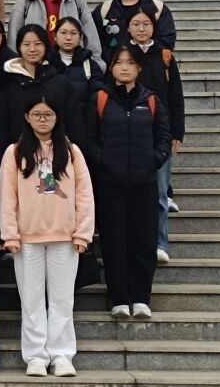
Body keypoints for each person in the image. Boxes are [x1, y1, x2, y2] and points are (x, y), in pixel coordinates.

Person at [0, 97, 95, 378]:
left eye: (48, 114)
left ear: (57, 117)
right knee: (31, 301)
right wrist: (10, 234)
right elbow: (7, 196)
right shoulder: (15, 152)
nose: (42, 119)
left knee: (62, 300)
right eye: (37, 114)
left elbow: (84, 194)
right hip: (27, 239)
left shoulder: (72, 151)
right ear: (27, 117)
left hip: (65, 237)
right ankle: (36, 356)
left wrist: (83, 232)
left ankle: (62, 355)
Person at [85, 44, 170, 321]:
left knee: (143, 241)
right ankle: (119, 297)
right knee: (114, 241)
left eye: (130, 62)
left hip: (144, 183)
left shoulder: (151, 100)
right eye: (119, 62)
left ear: (139, 68)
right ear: (111, 68)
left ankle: (141, 297)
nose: (124, 67)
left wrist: (154, 160)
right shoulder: (100, 99)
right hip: (111, 183)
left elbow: (163, 138)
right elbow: (90, 139)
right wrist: (104, 162)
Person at [127, 7, 185, 264]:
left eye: (146, 24)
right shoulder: (121, 56)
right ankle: (135, 242)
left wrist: (177, 132)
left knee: (160, 193)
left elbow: (176, 97)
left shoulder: (165, 57)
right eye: (136, 24)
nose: (141, 29)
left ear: (154, 28)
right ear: (128, 28)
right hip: (128, 132)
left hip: (160, 132)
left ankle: (160, 242)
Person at [0, 25, 71, 152]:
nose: (32, 49)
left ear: (45, 46)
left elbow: (73, 121)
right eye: (26, 44)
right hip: (17, 152)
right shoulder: (6, 82)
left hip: (56, 152)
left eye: (38, 44)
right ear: (19, 47)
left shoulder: (59, 82)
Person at [55, 17, 104, 149]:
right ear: (55, 36)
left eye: (73, 33)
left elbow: (98, 99)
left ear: (80, 37)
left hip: (83, 131)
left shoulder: (90, 65)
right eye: (63, 33)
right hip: (52, 131)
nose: (68, 37)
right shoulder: (47, 64)